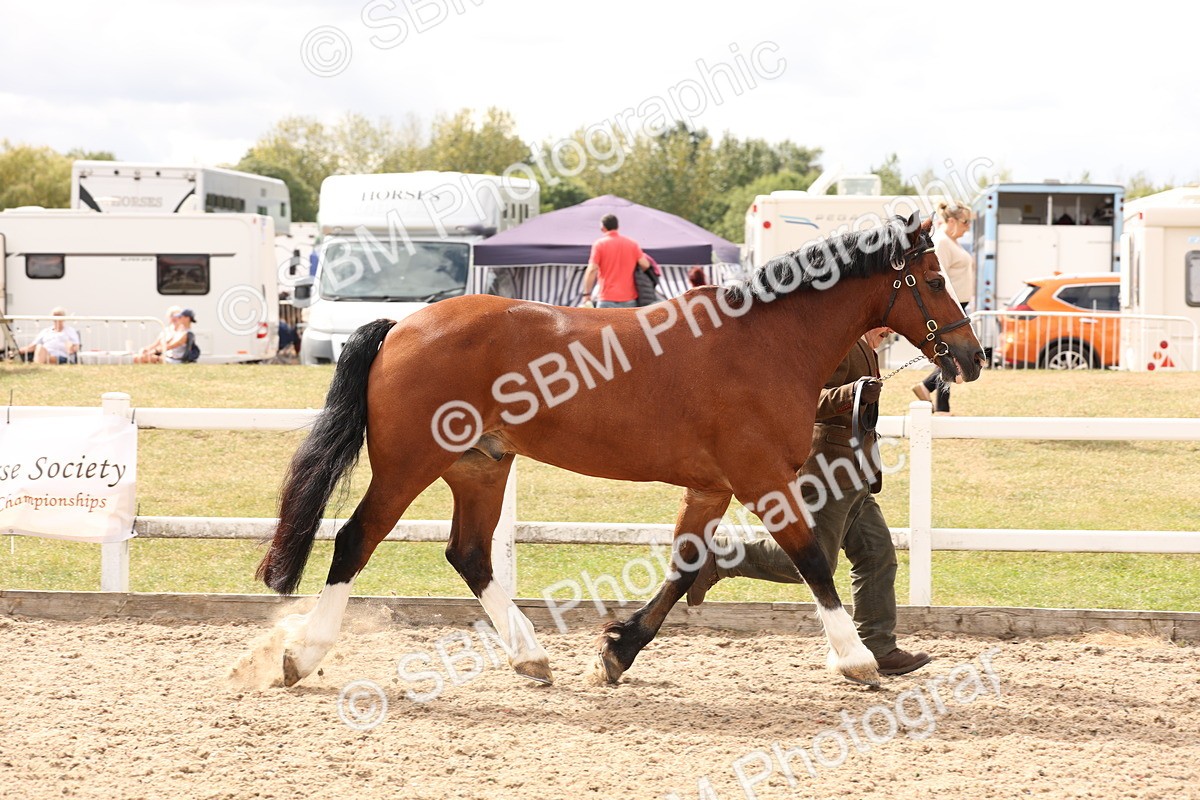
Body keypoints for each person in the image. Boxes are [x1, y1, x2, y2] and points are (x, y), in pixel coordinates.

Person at [688, 326, 931, 677]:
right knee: (807, 564)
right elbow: (803, 400)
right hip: (827, 472)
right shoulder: (838, 345)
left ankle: (878, 646)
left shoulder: (865, 348)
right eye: (884, 323)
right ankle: (721, 556)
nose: (889, 330)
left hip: (856, 473)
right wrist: (851, 393)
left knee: (877, 554)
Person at [913, 201, 975, 414]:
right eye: (965, 221)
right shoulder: (943, 242)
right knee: (953, 355)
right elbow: (940, 276)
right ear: (951, 220)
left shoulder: (951, 242)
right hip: (951, 307)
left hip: (959, 305)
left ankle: (934, 396)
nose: (968, 226)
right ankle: (937, 399)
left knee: (953, 355)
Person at [580, 214, 650, 308]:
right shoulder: (632, 244)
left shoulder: (599, 244)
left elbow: (592, 269)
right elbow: (645, 265)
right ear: (618, 227)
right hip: (629, 298)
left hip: (606, 298)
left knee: (604, 323)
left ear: (603, 228)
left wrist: (586, 294)